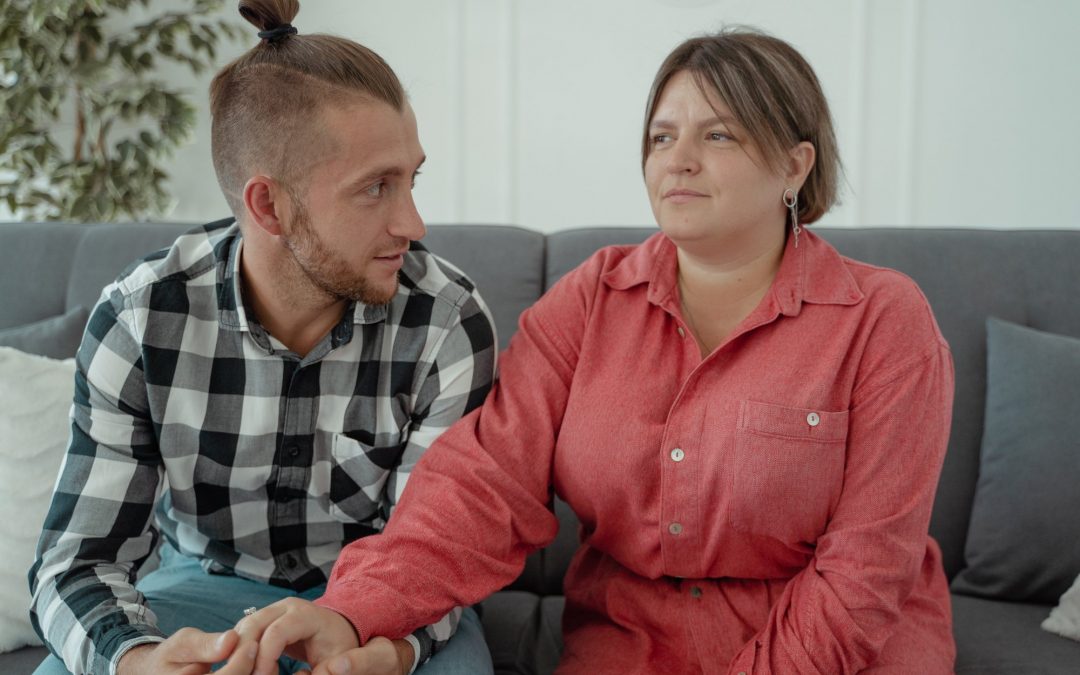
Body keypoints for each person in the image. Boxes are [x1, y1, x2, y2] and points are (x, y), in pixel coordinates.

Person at [240, 27, 956, 674]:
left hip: (839, 652)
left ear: (795, 167)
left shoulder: (883, 320)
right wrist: (352, 610)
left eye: (719, 136)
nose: (678, 160)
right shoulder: (591, 300)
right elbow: (482, 486)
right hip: (635, 643)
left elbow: (865, 572)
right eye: (661, 136)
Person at [27, 1, 497, 674]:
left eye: (411, 179)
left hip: (385, 603)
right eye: (376, 189)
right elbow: (79, 559)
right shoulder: (140, 319)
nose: (413, 222)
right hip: (205, 591)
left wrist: (387, 647)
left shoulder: (448, 323)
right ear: (267, 204)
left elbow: (439, 550)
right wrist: (135, 658)